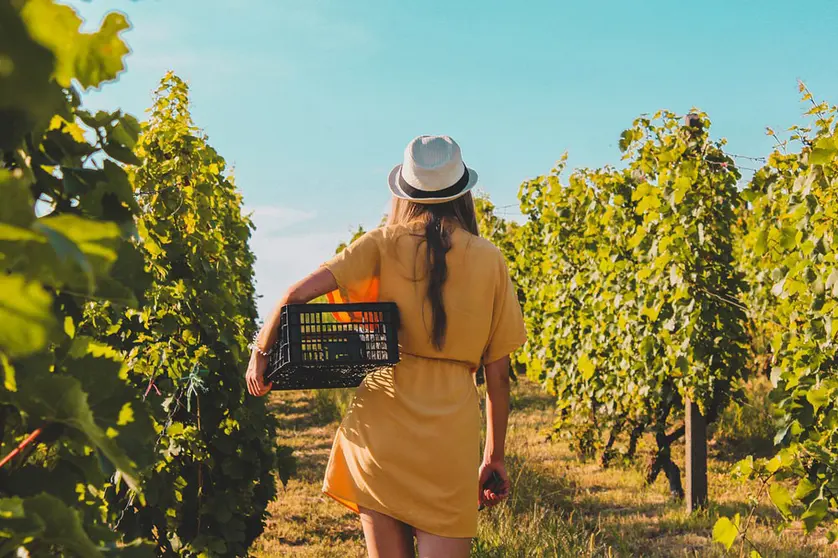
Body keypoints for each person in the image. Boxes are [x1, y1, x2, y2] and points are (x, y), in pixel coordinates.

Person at [246, 135, 527, 557]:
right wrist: (493, 456)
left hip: (381, 430)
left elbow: (294, 295)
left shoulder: (381, 242)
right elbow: (498, 376)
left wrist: (261, 353)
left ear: (406, 192)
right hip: (448, 442)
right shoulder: (490, 259)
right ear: (461, 192)